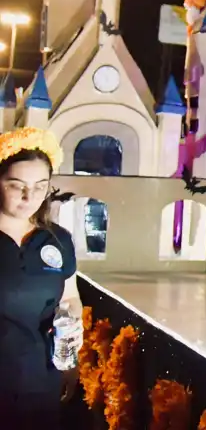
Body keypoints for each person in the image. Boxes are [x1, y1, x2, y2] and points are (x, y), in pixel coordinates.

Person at [0, 128, 81, 430]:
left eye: (39, 186)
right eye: (16, 185)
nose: (28, 196)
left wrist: (69, 359)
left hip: (39, 379)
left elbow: (69, 298)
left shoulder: (57, 240)